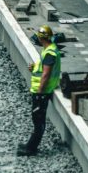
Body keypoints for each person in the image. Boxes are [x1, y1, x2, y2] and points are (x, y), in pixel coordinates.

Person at [18, 24, 61, 156]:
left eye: (38, 37)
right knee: (37, 119)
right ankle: (30, 145)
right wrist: (35, 68)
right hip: (41, 90)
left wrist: (40, 93)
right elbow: (42, 69)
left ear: (43, 39)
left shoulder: (49, 54)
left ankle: (31, 148)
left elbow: (46, 74)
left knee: (38, 119)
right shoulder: (48, 50)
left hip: (42, 92)